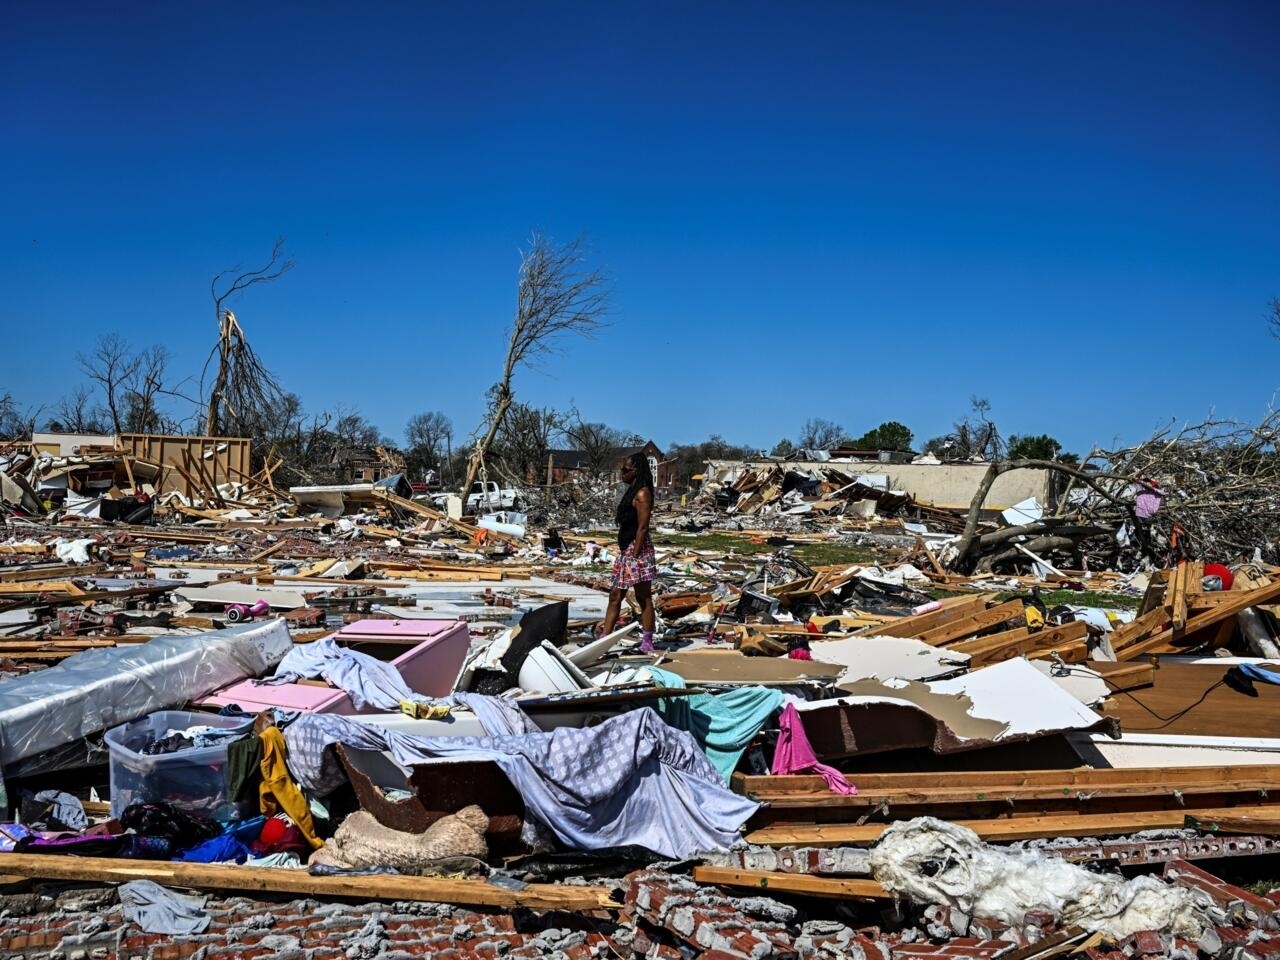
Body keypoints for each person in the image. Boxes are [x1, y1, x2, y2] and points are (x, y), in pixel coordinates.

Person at [600, 452, 657, 652]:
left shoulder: (642, 494)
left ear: (636, 471)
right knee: (615, 595)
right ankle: (604, 639)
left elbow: (642, 527)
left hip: (637, 550)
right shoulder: (631, 491)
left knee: (643, 597)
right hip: (627, 550)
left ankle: (648, 641)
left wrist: (635, 556)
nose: (621, 473)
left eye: (625, 470)